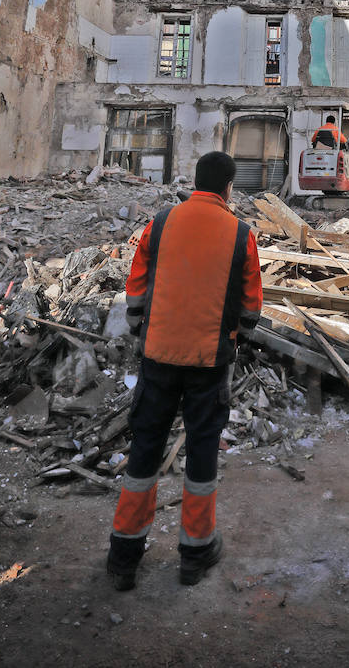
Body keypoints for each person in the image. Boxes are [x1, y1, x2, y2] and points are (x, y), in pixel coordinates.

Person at [106, 150, 262, 590]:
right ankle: (195, 553)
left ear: (195, 183)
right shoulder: (240, 233)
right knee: (202, 450)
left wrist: (142, 326)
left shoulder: (160, 223)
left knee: (146, 448)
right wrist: (237, 333)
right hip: (209, 361)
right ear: (229, 187)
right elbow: (251, 308)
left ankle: (123, 557)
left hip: (158, 356)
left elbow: (134, 289)